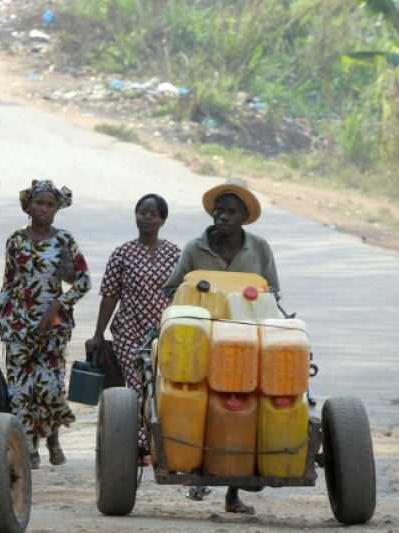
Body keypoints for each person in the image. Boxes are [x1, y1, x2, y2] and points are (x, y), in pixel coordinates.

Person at [163, 177, 279, 515]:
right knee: (201, 401)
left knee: (240, 403)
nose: (223, 217)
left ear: (244, 216)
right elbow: (172, 290)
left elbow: (274, 292)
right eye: (219, 211)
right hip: (201, 340)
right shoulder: (195, 248)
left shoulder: (259, 248)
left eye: (231, 212)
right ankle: (199, 472)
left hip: (247, 341)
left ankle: (232, 493)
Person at [0, 179, 92, 469]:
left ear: (57, 209)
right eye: (38, 203)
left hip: (52, 328)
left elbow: (84, 281)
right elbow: (8, 286)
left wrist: (58, 304)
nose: (43, 209)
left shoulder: (65, 240)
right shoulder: (15, 240)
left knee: (50, 388)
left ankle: (52, 436)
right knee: (20, 392)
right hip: (17, 325)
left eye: (49, 204)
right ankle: (29, 447)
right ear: (28, 206)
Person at [85, 194, 181, 465]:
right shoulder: (122, 253)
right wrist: (98, 333)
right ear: (135, 215)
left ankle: (160, 439)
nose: (147, 218)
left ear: (162, 220)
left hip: (164, 331)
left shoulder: (175, 254)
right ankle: (139, 445)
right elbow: (109, 296)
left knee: (163, 385)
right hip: (129, 330)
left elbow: (184, 293)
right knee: (137, 382)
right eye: (142, 212)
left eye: (153, 214)